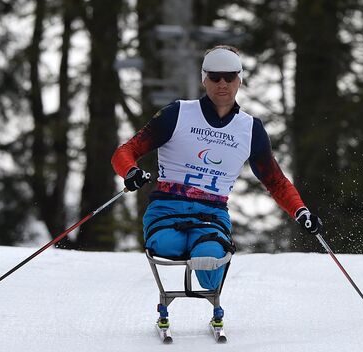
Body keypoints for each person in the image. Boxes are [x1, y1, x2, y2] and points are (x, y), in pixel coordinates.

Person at [111, 44, 322, 304]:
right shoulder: (177, 113)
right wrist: (131, 172)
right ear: (204, 79)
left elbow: (275, 181)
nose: (222, 83)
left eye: (230, 77)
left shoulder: (250, 129)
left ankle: (210, 280)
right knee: (167, 247)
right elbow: (125, 151)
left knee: (209, 261)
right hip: (167, 209)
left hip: (211, 215)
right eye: (214, 77)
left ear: (240, 80)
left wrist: (300, 211)